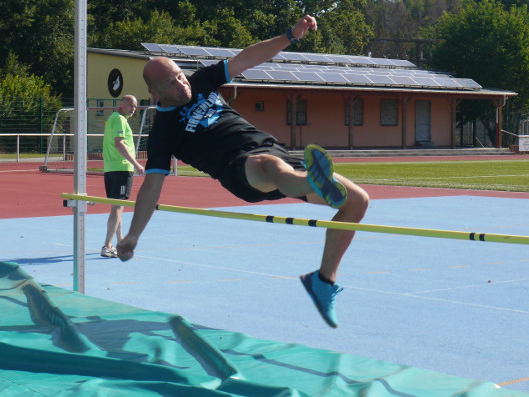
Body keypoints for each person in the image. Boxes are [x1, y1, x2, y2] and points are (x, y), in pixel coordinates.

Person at [117, 15, 369, 328]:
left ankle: (323, 281)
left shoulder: (201, 81)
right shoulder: (163, 131)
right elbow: (152, 186)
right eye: (170, 83)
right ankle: (313, 180)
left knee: (357, 201)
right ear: (154, 92)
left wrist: (290, 35)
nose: (181, 84)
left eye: (179, 76)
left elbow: (247, 58)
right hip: (239, 170)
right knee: (271, 168)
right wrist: (133, 235)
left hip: (271, 148)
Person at [101, 95, 145, 258]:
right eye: (130, 105)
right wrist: (136, 164)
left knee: (117, 206)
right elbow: (119, 143)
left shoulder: (113, 118)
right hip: (121, 168)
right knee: (118, 207)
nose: (133, 109)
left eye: (135, 106)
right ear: (121, 104)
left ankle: (119, 240)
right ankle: (107, 245)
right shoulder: (119, 119)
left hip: (112, 168)